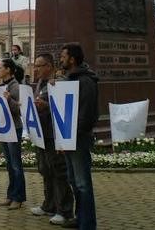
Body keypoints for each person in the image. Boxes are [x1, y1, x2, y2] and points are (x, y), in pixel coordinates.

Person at [30, 54, 74, 226]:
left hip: (54, 134)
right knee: (45, 170)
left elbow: (62, 108)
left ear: (49, 66)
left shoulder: (60, 82)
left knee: (59, 172)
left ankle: (65, 210)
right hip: (41, 132)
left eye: (39, 66)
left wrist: (46, 106)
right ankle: (49, 205)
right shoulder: (41, 83)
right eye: (35, 66)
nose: (36, 69)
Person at [60, 43, 99, 230]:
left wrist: (72, 135)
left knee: (83, 183)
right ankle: (80, 217)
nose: (61, 59)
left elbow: (88, 114)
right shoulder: (69, 80)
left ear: (72, 59)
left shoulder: (86, 81)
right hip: (69, 137)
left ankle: (88, 223)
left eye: (63, 56)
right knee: (74, 181)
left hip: (79, 138)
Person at [0, 59, 26, 210]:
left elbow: (19, 110)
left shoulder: (15, 87)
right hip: (4, 128)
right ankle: (11, 195)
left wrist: (9, 99)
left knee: (15, 165)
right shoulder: (2, 85)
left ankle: (18, 197)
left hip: (14, 128)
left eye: (1, 67)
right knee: (9, 164)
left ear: (8, 70)